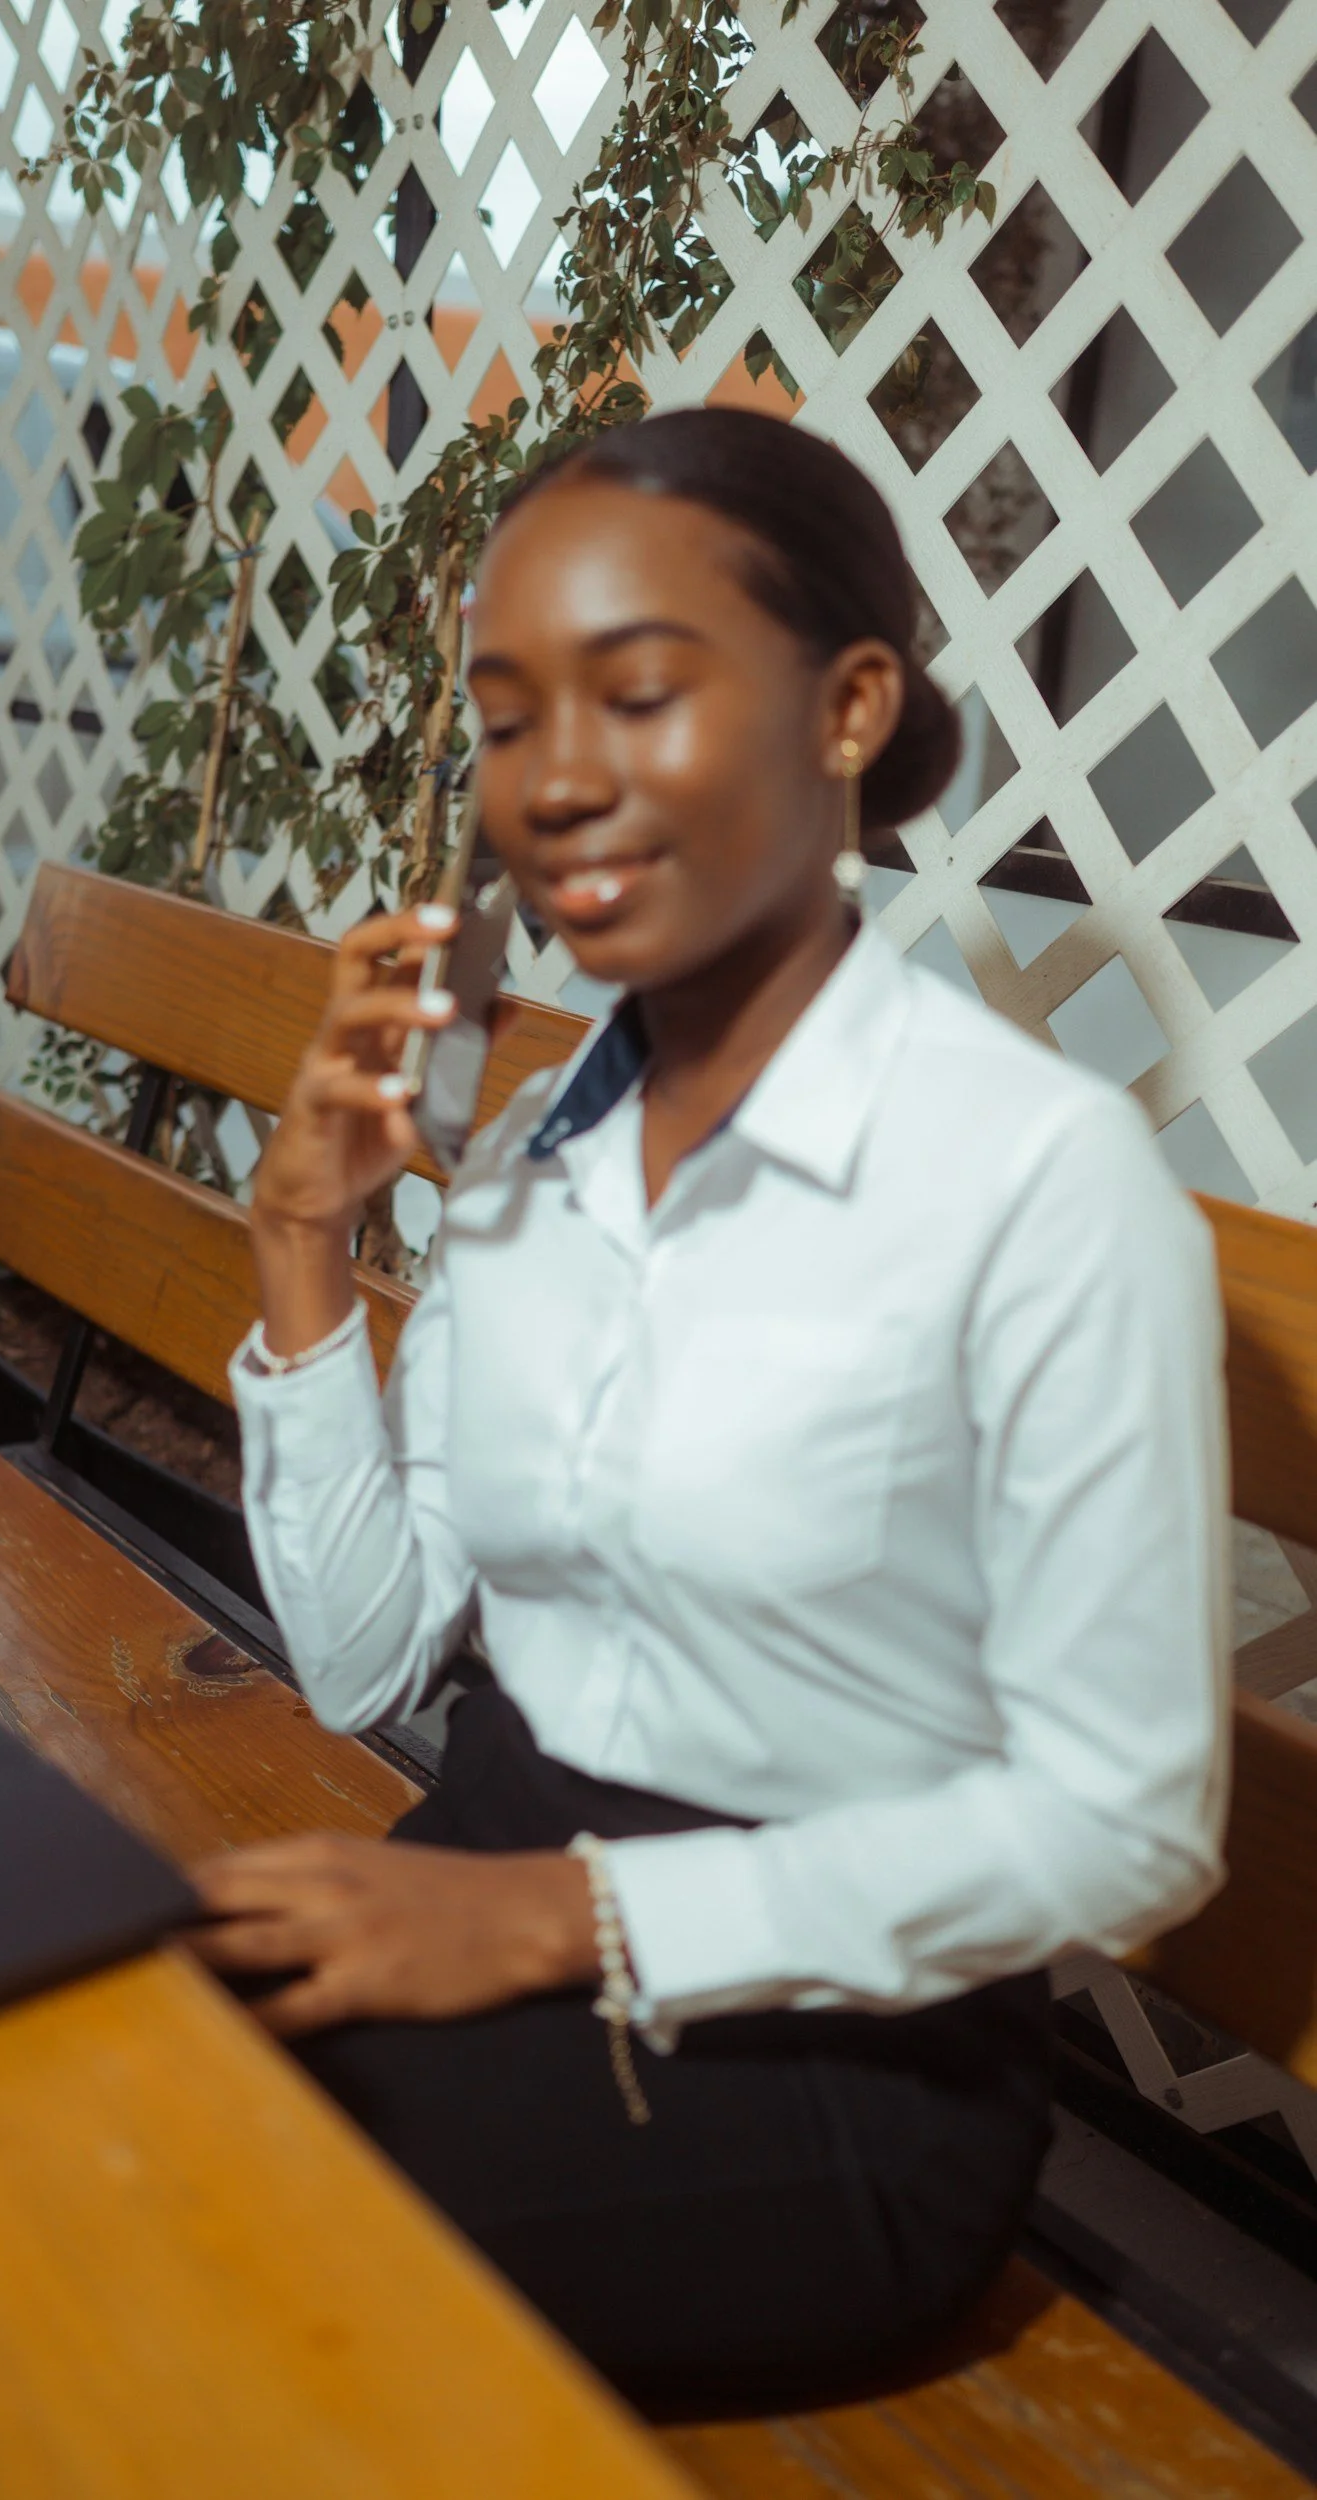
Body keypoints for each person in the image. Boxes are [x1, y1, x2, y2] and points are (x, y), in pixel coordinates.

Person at [191, 407, 1229, 2415]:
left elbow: (1132, 1822)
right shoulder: (529, 1146)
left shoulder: (1030, 1180)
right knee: (35, 2079)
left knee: (206, 2255)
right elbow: (365, 1655)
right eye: (505, 719)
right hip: (479, 1871)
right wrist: (306, 1241)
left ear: (848, 707)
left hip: (837, 2049)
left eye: (639, 693)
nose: (556, 779)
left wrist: (561, 1913)